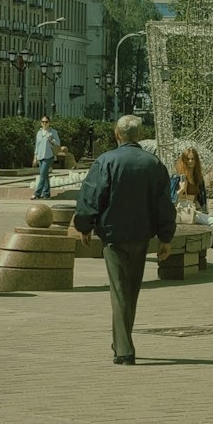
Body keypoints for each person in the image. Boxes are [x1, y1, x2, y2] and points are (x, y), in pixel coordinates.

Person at [73, 114, 176, 365]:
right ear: (139, 136)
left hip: (113, 234)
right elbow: (164, 203)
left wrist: (84, 226)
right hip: (142, 234)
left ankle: (124, 349)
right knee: (131, 290)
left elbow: (91, 196)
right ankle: (122, 339)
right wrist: (166, 237)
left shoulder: (106, 161)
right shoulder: (153, 164)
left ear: (117, 135)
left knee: (120, 291)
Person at [170, 147, 213, 265]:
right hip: (182, 212)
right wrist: (181, 190)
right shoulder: (177, 178)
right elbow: (170, 200)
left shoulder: (198, 179)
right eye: (188, 159)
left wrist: (204, 212)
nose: (191, 162)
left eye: (193, 159)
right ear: (183, 160)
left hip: (194, 210)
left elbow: (200, 200)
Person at [32, 115, 61, 200]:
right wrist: (35, 157)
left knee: (42, 174)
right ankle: (47, 194)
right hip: (40, 156)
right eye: (43, 122)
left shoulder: (53, 132)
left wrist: (51, 139)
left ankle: (37, 193)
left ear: (49, 123)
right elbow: (37, 145)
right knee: (45, 175)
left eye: (46, 122)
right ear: (41, 123)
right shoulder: (39, 132)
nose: (44, 124)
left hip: (49, 155)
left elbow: (58, 143)